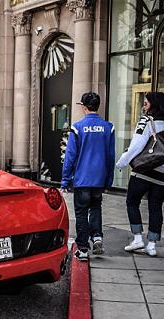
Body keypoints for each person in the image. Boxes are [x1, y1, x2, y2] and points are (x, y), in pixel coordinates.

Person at [116, 92, 164, 257]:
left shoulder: (146, 121)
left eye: (145, 103)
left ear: (152, 105)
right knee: (156, 207)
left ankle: (137, 239)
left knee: (132, 201)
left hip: (144, 170)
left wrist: (121, 162)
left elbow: (136, 146)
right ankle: (151, 245)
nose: (144, 106)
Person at [61, 91, 116, 261]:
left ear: (84, 107)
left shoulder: (77, 128)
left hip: (82, 179)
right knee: (95, 208)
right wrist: (108, 180)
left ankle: (83, 249)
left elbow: (70, 156)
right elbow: (110, 157)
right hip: (99, 179)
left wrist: (65, 179)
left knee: (81, 213)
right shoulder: (109, 127)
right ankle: (97, 236)